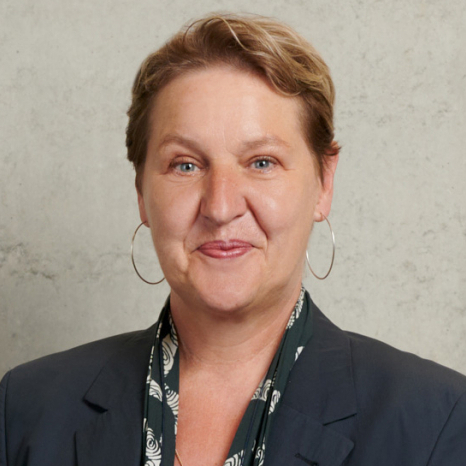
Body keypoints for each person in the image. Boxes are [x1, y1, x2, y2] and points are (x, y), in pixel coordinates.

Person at [1, 13, 465, 466]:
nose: (221, 207)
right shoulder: (25, 410)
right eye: (185, 164)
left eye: (261, 162)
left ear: (324, 183)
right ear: (142, 191)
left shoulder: (436, 420)